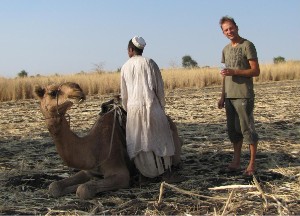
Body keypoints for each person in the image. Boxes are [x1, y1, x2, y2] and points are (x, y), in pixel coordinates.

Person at [120, 36, 176, 180]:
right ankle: (165, 172)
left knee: (138, 140)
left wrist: (127, 109)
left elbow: (124, 94)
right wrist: (161, 107)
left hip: (133, 110)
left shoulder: (125, 67)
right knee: (160, 136)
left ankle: (143, 174)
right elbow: (159, 88)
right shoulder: (150, 63)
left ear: (130, 50)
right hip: (152, 106)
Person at [218, 16, 260, 176]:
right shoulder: (225, 50)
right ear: (223, 33)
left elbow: (255, 71)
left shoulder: (247, 45)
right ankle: (236, 161)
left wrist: (235, 72)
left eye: (231, 28)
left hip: (243, 95)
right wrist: (222, 96)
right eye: (226, 30)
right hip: (229, 96)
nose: (229, 31)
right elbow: (224, 75)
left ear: (237, 27)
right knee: (233, 131)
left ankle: (251, 164)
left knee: (247, 129)